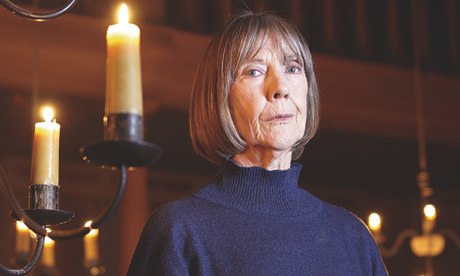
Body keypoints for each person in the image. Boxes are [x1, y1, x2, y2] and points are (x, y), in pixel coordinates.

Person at [128, 10, 388, 276]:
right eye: (254, 71)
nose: (280, 87)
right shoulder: (179, 231)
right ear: (220, 96)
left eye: (293, 68)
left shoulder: (352, 235)